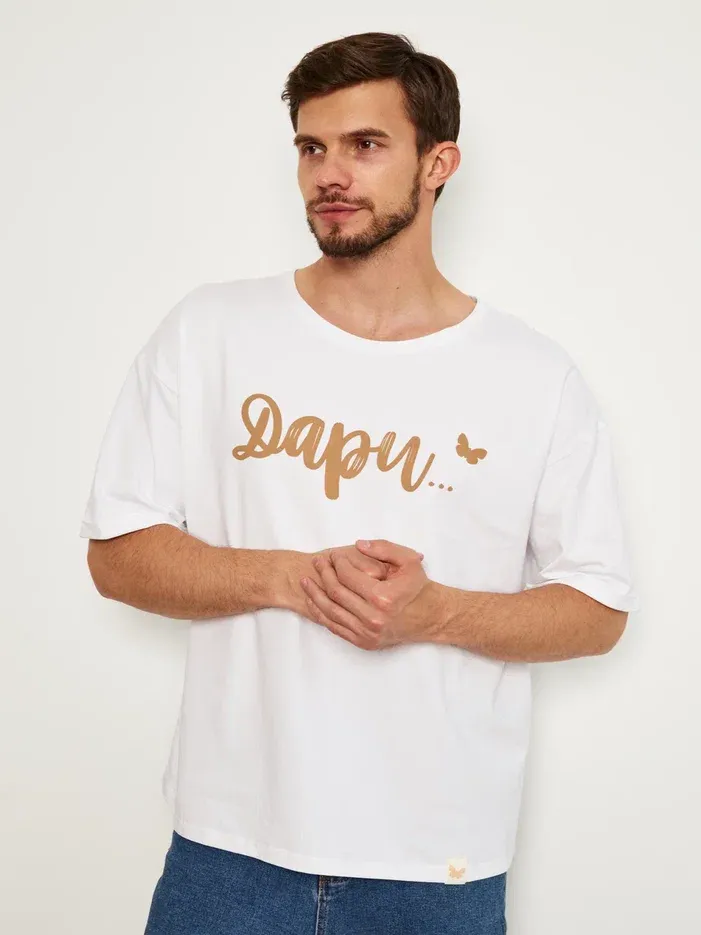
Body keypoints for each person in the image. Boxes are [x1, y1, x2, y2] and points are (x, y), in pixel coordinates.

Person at [79, 30, 640, 935]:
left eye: (365, 145)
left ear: (437, 163)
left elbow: (598, 606)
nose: (329, 174)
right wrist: (292, 577)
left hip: (438, 867)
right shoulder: (210, 331)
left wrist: (434, 613)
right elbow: (117, 552)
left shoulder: (533, 376)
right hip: (227, 852)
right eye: (311, 147)